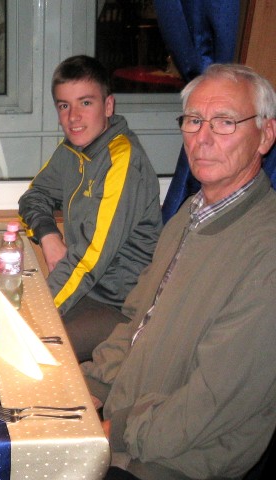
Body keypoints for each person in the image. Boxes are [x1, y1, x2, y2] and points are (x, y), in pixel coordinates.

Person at [82, 63, 276, 480]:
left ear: (265, 135)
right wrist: (92, 388)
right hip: (129, 423)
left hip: (176, 461)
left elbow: (213, 401)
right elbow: (135, 320)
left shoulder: (267, 251)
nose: (203, 138)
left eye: (225, 122)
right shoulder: (190, 213)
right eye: (193, 120)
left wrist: (111, 434)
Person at [18, 55, 162, 362]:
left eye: (85, 103)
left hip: (120, 306)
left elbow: (88, 259)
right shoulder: (73, 150)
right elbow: (32, 197)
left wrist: (35, 312)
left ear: (108, 106)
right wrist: (48, 236)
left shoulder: (123, 162)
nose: (73, 117)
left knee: (29, 346)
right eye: (64, 105)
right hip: (84, 287)